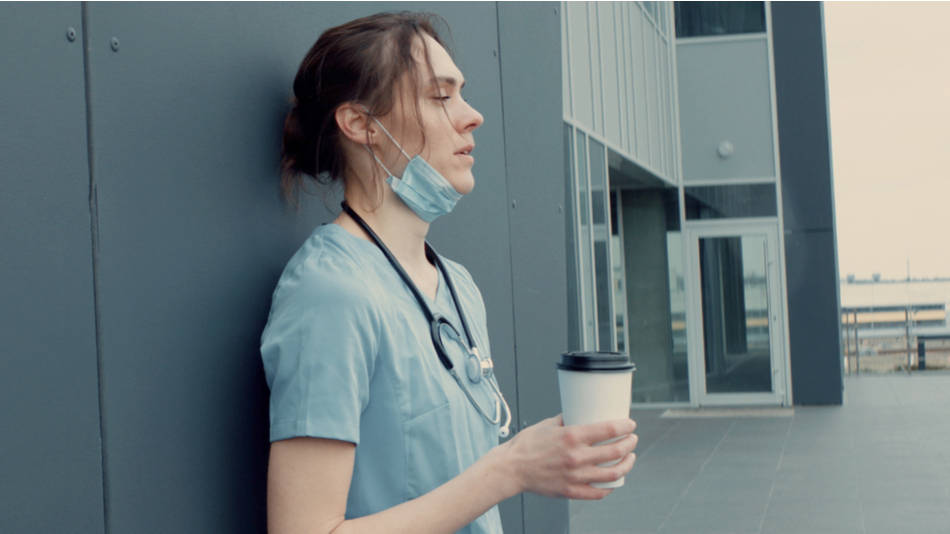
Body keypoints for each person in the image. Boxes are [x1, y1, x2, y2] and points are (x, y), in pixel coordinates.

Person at [261, 12, 638, 534]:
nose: (472, 115)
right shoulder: (330, 293)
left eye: (461, 93)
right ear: (361, 124)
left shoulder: (457, 285)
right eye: (441, 97)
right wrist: (510, 469)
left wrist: (556, 455)